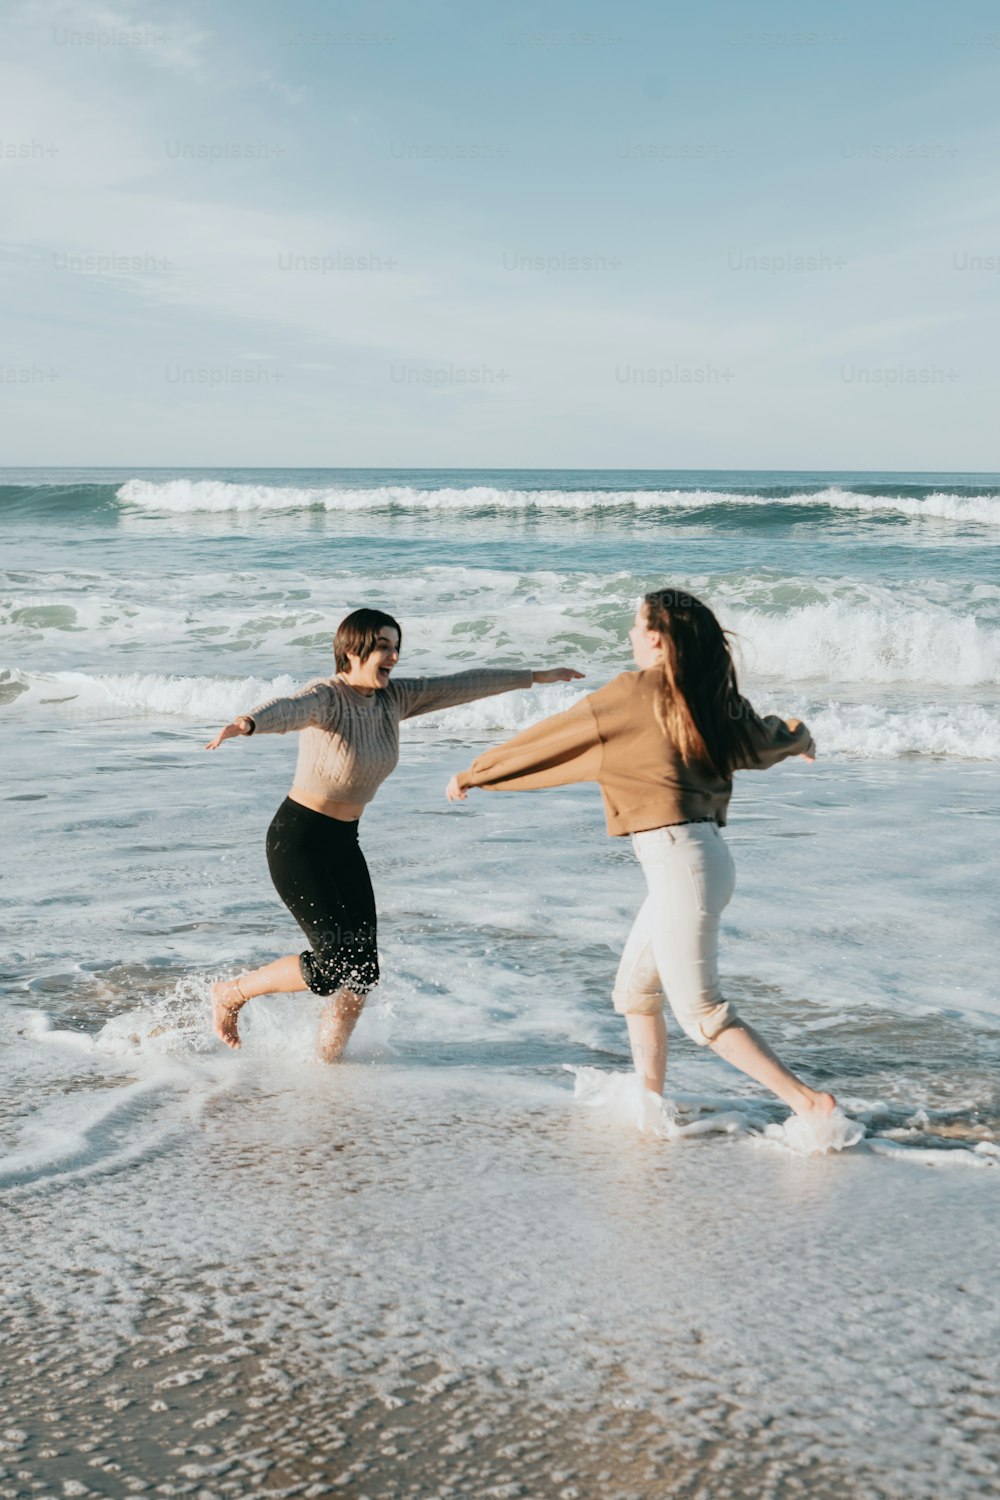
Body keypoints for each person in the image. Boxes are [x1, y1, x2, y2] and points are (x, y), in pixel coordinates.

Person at [447, 588, 837, 1124]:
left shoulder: (632, 693)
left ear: (655, 637)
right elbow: (765, 741)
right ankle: (649, 1104)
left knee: (702, 1012)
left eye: (635, 626)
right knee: (634, 991)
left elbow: (553, 739)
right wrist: (800, 737)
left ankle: (808, 1103)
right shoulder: (710, 695)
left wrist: (476, 772)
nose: (629, 635)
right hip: (702, 862)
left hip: (681, 864)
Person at [206, 607, 583, 1058]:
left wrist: (537, 676)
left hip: (344, 843)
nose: (394, 657)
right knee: (331, 967)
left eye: (396, 647)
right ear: (353, 650)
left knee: (362, 971)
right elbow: (290, 708)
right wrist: (248, 723)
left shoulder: (394, 699)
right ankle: (231, 993)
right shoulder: (328, 696)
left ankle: (329, 1067)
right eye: (383, 646)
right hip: (299, 842)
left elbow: (463, 684)